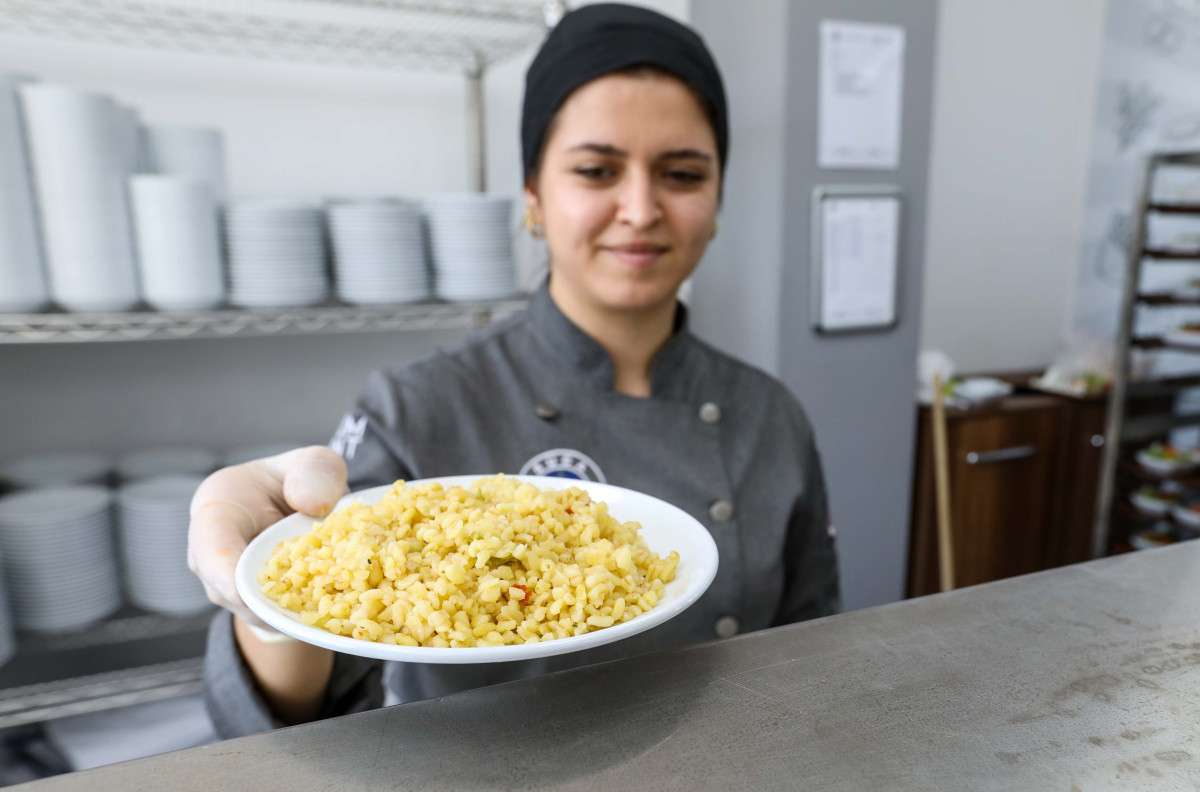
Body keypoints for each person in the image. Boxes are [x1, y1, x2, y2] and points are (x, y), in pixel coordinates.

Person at [189, 2, 840, 739]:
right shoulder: (419, 405)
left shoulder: (770, 412)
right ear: (533, 197)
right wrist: (267, 592)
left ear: (717, 199)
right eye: (596, 170)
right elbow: (303, 709)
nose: (640, 209)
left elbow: (812, 649)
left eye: (682, 174)